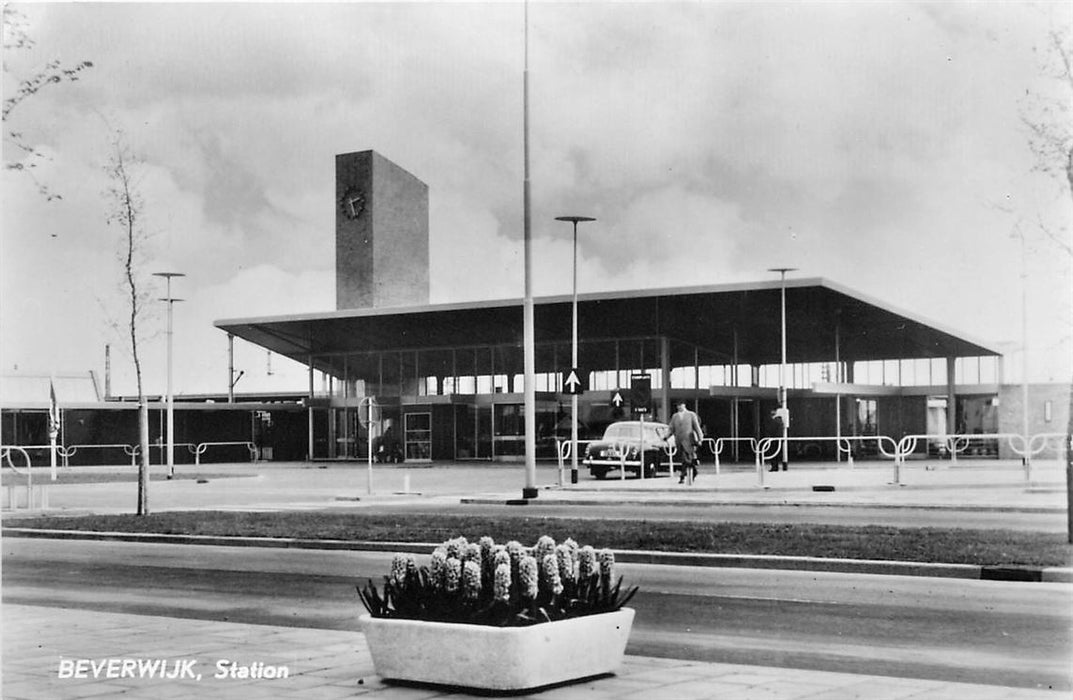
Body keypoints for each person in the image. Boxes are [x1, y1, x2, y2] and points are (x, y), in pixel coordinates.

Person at [665, 401, 704, 484]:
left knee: (686, 459)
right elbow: (671, 428)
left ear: (684, 405)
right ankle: (693, 471)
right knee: (684, 459)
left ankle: (683, 476)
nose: (679, 407)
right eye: (677, 405)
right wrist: (666, 436)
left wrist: (700, 438)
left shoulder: (691, 415)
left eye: (680, 405)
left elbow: (697, 427)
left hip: (689, 441)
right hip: (679, 440)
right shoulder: (675, 416)